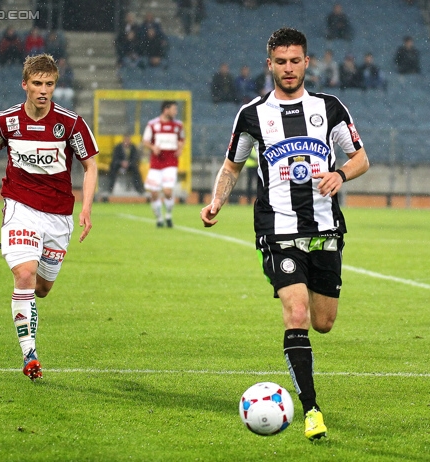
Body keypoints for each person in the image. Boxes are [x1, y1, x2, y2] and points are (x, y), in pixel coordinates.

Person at [200, 27, 369, 442]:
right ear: (269, 64)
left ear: (307, 62)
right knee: (296, 314)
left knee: (324, 322)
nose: (289, 68)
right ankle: (312, 410)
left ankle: (307, 391)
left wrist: (340, 173)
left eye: (295, 61)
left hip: (325, 229)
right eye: (281, 61)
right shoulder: (252, 114)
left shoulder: (329, 108)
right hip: (277, 229)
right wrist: (216, 202)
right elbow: (232, 167)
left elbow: (361, 157)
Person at [0, 54, 99, 381]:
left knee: (43, 288)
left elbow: (90, 165)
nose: (44, 90)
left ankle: (30, 329)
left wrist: (85, 207)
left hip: (59, 215)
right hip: (20, 208)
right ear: (24, 84)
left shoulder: (70, 123)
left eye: (50, 84)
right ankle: (29, 353)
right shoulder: (6, 121)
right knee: (25, 275)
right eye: (37, 84)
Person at [143, 101, 185, 228]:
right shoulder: (152, 124)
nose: (175, 112)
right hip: (156, 163)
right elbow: (145, 141)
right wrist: (152, 147)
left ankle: (168, 215)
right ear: (165, 110)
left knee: (167, 191)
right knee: (154, 193)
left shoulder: (178, 125)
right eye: (173, 109)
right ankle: (159, 218)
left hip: (171, 162)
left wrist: (180, 148)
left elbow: (182, 139)